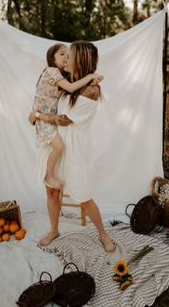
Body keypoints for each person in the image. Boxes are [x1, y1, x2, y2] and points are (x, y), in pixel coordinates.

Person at [29, 41, 116, 253]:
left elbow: (66, 120)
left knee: (84, 197)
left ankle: (103, 235)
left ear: (81, 59)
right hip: (57, 143)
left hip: (75, 147)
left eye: (71, 56)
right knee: (51, 192)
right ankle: (54, 230)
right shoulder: (67, 81)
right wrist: (38, 116)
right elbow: (48, 100)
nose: (66, 60)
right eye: (64, 56)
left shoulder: (91, 89)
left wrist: (38, 116)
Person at [32, 42, 102, 191]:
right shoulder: (52, 71)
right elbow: (71, 88)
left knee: (59, 147)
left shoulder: (62, 78)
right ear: (52, 59)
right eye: (62, 54)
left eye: (68, 55)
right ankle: (48, 175)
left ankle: (50, 175)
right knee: (59, 146)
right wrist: (90, 76)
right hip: (48, 124)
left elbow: (73, 88)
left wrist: (91, 80)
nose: (66, 58)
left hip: (59, 131)